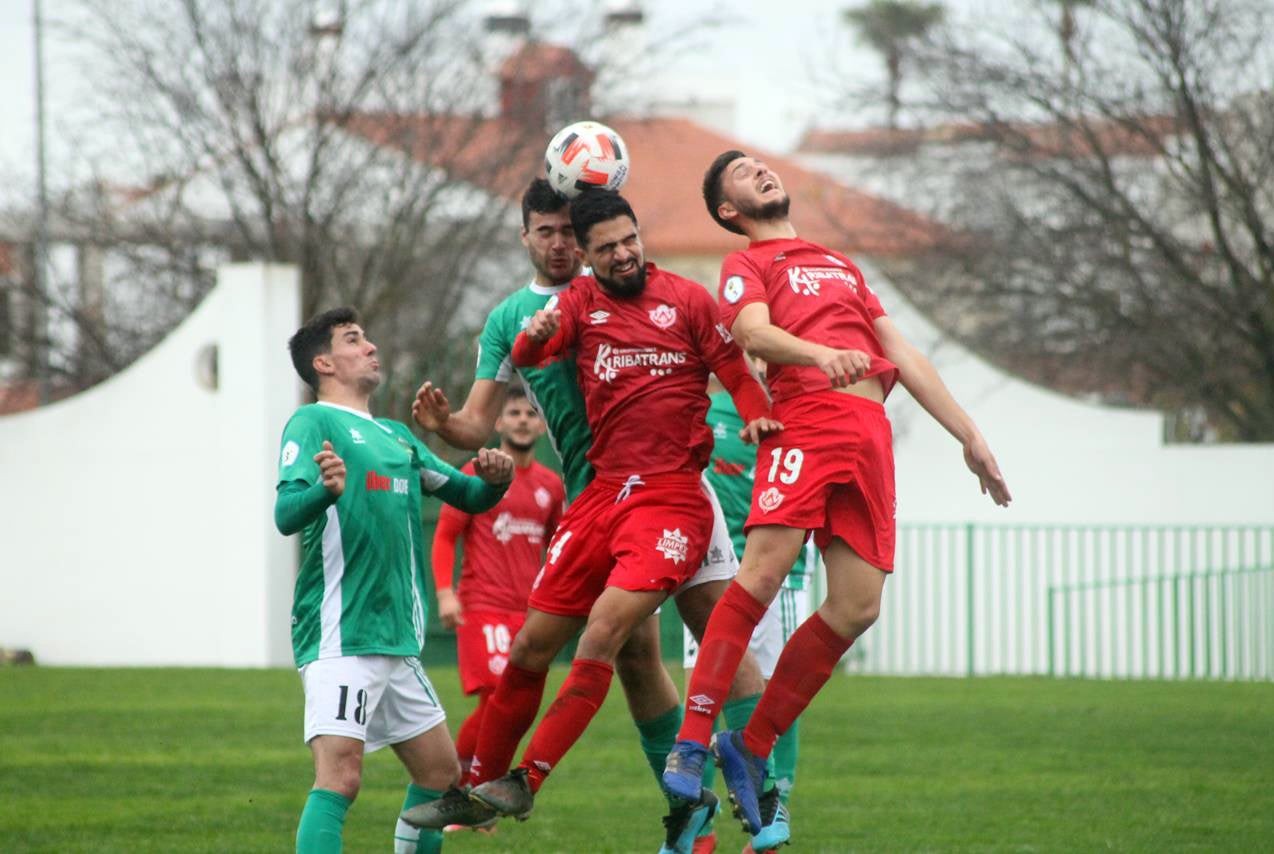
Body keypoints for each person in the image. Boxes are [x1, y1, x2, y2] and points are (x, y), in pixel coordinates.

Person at [402, 180, 767, 854]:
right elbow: (508, 382)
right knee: (549, 649)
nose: (617, 252)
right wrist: (461, 409)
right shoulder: (549, 309)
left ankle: (764, 805)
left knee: (706, 638)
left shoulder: (685, 297)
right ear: (533, 239)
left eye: (624, 240)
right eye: (553, 233)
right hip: (598, 497)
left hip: (675, 495)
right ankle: (482, 787)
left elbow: (735, 370)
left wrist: (757, 416)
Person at [662, 152, 1013, 837]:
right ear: (728, 210)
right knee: (761, 574)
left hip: (868, 434)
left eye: (759, 164)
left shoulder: (839, 263)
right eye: (742, 173)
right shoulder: (746, 263)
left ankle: (750, 745)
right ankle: (692, 740)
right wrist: (820, 355)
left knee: (857, 606)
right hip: (807, 418)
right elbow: (751, 332)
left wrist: (969, 435)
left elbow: (902, 354)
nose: (760, 170)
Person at [275, 307, 515, 854]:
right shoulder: (312, 423)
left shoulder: (397, 436)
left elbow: (468, 494)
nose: (371, 347)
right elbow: (286, 514)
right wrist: (324, 492)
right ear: (323, 363)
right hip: (341, 634)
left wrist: (495, 482)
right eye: (353, 339)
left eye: (366, 337)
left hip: (397, 640)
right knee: (341, 778)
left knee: (441, 776)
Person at [683, 369, 819, 854]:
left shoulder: (799, 413)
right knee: (704, 691)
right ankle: (699, 824)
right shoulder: (707, 411)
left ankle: (773, 812)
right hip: (714, 574)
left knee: (779, 694)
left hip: (781, 576)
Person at [430, 385, 564, 785]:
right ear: (498, 423)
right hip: (482, 606)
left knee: (513, 706)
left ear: (542, 425)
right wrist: (445, 593)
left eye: (530, 414)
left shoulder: (551, 486)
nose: (522, 420)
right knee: (495, 699)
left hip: (528, 612)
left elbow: (558, 546)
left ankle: (476, 789)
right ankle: (454, 783)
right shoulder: (477, 475)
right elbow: (445, 535)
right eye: (514, 413)